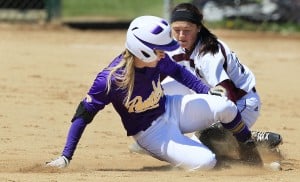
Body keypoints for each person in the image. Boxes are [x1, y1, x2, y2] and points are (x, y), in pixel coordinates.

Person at [46, 15, 262, 171]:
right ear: (143, 51)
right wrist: (66, 156)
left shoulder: (156, 61)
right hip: (152, 134)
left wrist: (207, 91)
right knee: (206, 162)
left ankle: (250, 151)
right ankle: (214, 153)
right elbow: (83, 114)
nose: (164, 54)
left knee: (225, 106)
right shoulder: (110, 80)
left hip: (169, 107)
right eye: (160, 50)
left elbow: (179, 72)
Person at [161, 2, 282, 152]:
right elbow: (159, 71)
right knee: (161, 91)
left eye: (187, 30)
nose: (181, 35)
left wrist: (220, 128)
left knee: (202, 145)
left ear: (198, 28)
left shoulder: (208, 56)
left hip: (241, 104)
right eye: (176, 30)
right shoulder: (179, 44)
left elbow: (228, 98)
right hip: (210, 94)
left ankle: (249, 139)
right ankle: (164, 130)